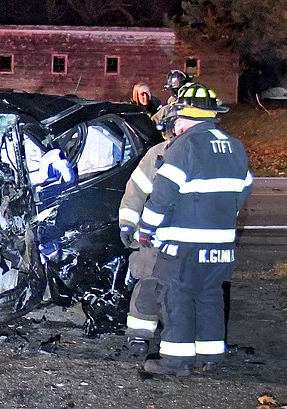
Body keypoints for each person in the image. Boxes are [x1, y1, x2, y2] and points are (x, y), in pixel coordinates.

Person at [135, 83, 252, 376]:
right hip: (221, 247)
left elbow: (162, 195)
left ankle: (176, 361)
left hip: (184, 246)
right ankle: (211, 358)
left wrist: (146, 229)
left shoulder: (183, 146)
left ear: (185, 115)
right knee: (210, 298)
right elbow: (244, 188)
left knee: (176, 299)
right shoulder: (234, 146)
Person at [117, 107, 176, 355]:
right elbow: (136, 192)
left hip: (183, 238)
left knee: (181, 290)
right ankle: (139, 335)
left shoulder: (201, 156)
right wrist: (128, 224)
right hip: (153, 238)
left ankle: (178, 341)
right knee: (148, 286)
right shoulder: (157, 155)